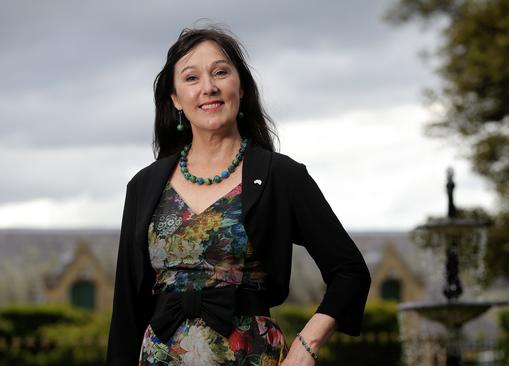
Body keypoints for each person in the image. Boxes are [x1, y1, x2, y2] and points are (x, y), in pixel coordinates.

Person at [106, 25, 371, 366]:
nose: (208, 87)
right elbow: (127, 308)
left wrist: (307, 344)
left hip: (250, 355)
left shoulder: (281, 176)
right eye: (191, 78)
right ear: (175, 99)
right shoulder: (145, 185)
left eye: (220, 72)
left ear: (241, 86)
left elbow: (350, 271)